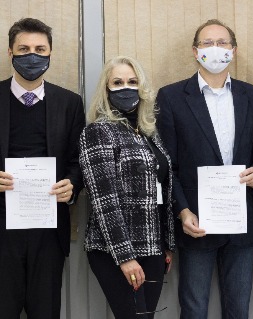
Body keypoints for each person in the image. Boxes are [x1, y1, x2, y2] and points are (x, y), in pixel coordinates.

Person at [156, 19, 253, 319]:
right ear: (195, 51)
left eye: (222, 42)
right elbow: (168, 164)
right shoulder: (172, 97)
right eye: (207, 43)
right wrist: (183, 211)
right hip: (196, 223)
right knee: (193, 309)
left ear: (234, 50)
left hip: (240, 221)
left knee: (238, 309)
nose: (215, 49)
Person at [0, 18, 85, 318]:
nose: (32, 55)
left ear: (50, 54)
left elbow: (78, 160)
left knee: (45, 311)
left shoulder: (70, 103)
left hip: (48, 230)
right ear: (10, 53)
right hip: (2, 231)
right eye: (23, 49)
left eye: (40, 49)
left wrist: (72, 185)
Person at [79, 56, 175, 319]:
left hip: (153, 247)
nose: (126, 87)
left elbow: (162, 188)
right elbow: (104, 200)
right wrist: (125, 257)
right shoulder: (98, 132)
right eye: (117, 82)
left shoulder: (148, 132)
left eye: (132, 82)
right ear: (106, 89)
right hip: (114, 249)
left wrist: (166, 243)